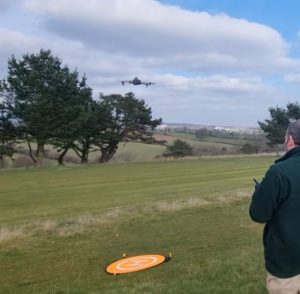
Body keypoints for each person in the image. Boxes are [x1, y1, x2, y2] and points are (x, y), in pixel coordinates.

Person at [250, 119, 300, 294]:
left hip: (286, 265)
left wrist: (260, 193)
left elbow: (258, 214)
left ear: (290, 139)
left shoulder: (278, 172)